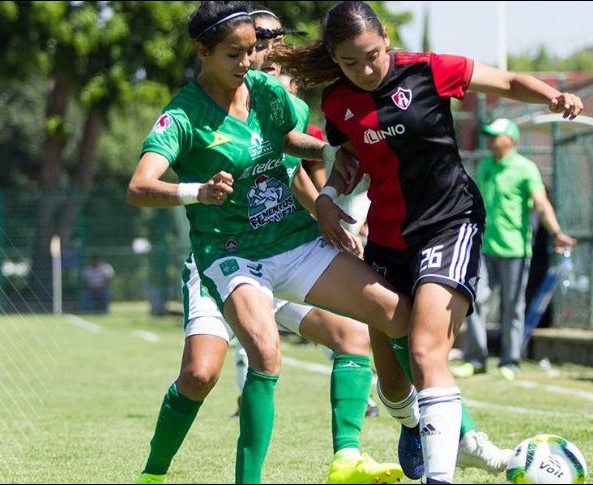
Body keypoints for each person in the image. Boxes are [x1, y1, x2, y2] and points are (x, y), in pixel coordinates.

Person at [274, 3, 583, 482]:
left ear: (386, 41)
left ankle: (441, 474)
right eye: (349, 63)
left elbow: (505, 82)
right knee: (393, 381)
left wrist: (551, 96)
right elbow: (351, 162)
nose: (365, 70)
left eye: (372, 56)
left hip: (449, 224)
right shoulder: (337, 102)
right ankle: (416, 425)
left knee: (423, 351)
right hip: (388, 238)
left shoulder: (430, 70)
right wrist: (330, 198)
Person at [126, 3, 415, 484]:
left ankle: (406, 437)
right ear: (204, 52)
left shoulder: (265, 90)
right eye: (238, 52)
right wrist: (198, 191)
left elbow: (289, 145)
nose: (250, 60)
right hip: (229, 255)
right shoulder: (181, 115)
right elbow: (139, 187)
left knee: (385, 319)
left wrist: (330, 154)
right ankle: (155, 475)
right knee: (211, 372)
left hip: (288, 244)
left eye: (256, 49)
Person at [453, 119, 576, 381]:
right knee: (474, 299)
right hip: (485, 249)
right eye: (489, 135)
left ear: (511, 139)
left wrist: (556, 232)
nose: (491, 140)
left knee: (513, 307)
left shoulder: (525, 168)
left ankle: (511, 361)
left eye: (496, 135)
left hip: (516, 251)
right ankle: (475, 359)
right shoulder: (486, 166)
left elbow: (541, 203)